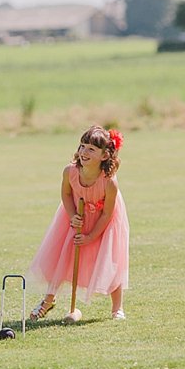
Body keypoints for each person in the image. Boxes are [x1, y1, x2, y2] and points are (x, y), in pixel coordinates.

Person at [28, 125, 130, 321]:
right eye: (82, 146)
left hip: (104, 222)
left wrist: (91, 236)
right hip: (75, 217)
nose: (84, 152)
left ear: (104, 155)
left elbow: (108, 212)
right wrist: (72, 215)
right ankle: (48, 300)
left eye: (91, 149)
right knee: (63, 256)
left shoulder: (109, 182)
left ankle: (117, 308)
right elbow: (66, 194)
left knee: (110, 261)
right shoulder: (70, 172)